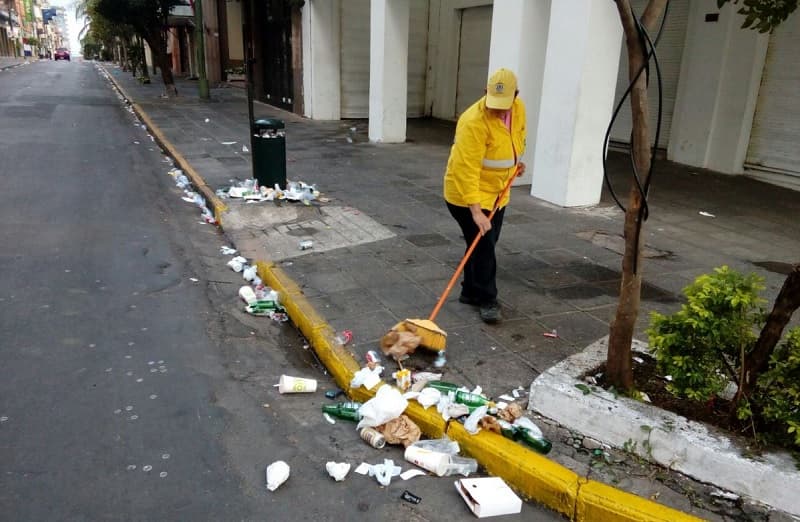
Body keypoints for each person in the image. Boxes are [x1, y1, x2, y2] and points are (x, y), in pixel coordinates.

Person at [443, 68, 526, 324]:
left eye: (504, 105)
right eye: (494, 104)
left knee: (480, 245)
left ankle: (470, 291)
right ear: (485, 93)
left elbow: (516, 140)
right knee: (484, 247)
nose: (498, 111)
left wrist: (514, 165)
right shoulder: (472, 121)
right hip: (465, 196)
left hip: (498, 192)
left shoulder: (519, 108)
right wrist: (476, 211)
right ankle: (488, 299)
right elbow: (464, 169)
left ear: (515, 96)